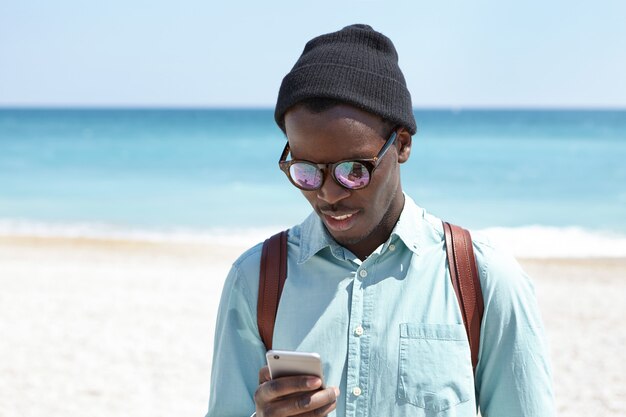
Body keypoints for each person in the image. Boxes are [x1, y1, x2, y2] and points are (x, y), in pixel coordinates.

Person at [206, 24, 555, 417]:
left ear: (402, 144)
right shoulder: (255, 280)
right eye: (306, 171)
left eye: (353, 170)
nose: (328, 194)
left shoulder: (485, 279)